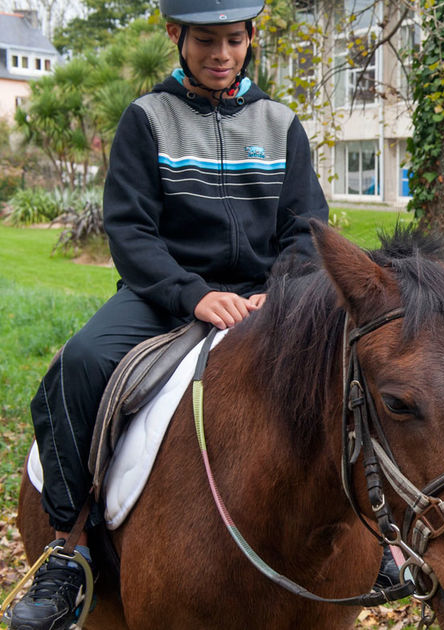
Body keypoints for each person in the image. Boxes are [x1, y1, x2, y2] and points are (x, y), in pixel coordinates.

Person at [6, 1, 329, 627]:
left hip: (265, 299)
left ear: (250, 38)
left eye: (234, 40)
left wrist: (280, 290)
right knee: (78, 364)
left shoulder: (281, 122)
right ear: (176, 36)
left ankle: (381, 538)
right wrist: (193, 295)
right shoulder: (146, 119)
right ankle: (65, 554)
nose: (221, 55)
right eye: (206, 40)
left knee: (357, 361)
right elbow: (130, 232)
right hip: (164, 296)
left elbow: (304, 228)